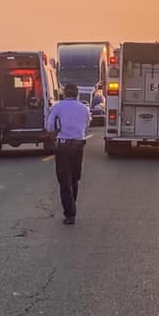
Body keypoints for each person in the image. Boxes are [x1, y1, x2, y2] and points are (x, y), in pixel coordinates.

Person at [45, 83, 90, 225]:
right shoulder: (84, 108)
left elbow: (50, 126)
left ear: (64, 93)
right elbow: (86, 126)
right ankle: (72, 205)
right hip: (78, 145)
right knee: (74, 177)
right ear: (77, 94)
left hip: (64, 145)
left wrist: (56, 132)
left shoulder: (58, 106)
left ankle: (70, 213)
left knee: (64, 180)